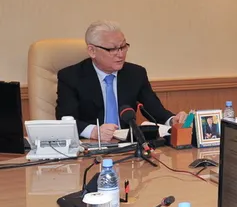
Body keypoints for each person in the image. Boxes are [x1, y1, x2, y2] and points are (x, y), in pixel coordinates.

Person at [56, 21, 187, 141]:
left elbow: (155, 109)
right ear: (92, 51)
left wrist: (172, 120)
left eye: (123, 46)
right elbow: (66, 120)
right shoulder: (71, 77)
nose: (121, 54)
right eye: (112, 49)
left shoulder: (136, 74)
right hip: (91, 146)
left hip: (128, 145)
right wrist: (94, 132)